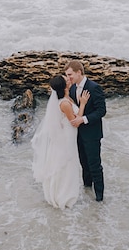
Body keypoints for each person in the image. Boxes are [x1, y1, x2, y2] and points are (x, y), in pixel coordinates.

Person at [31, 74, 90, 209]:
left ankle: (64, 191)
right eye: (66, 79)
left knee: (68, 163)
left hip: (68, 134)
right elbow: (75, 122)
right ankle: (64, 195)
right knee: (68, 163)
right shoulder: (64, 103)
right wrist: (83, 104)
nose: (68, 79)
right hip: (67, 137)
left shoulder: (66, 98)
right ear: (63, 86)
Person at [64, 60, 107, 202]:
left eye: (70, 75)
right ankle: (87, 188)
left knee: (95, 165)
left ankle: (99, 198)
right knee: (83, 162)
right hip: (78, 134)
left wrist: (84, 119)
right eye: (67, 75)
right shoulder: (71, 89)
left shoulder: (94, 88)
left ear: (79, 72)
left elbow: (101, 111)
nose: (68, 78)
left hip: (92, 133)